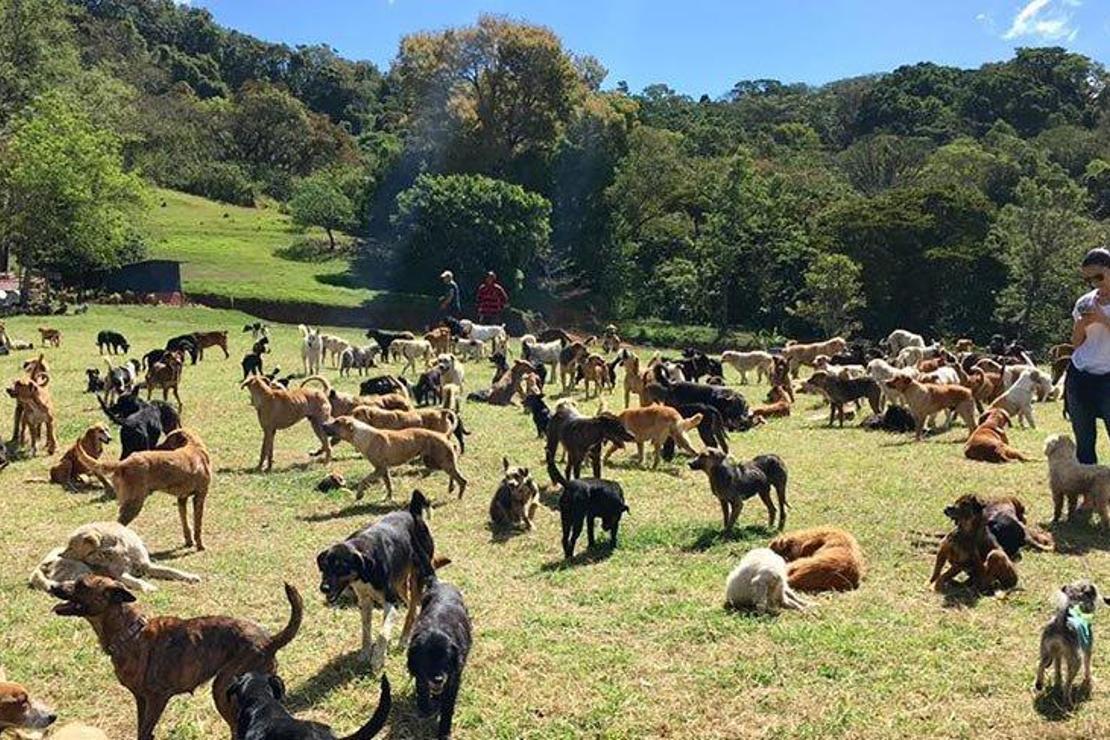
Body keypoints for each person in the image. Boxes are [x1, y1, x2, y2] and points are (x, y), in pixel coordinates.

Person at [1066, 247, 1110, 463]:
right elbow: (1076, 343)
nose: (1095, 283)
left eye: (1099, 277)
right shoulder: (1084, 302)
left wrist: (1102, 318)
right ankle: (1091, 495)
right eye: (1089, 280)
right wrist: (1082, 324)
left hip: (1108, 377)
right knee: (1084, 440)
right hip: (1081, 374)